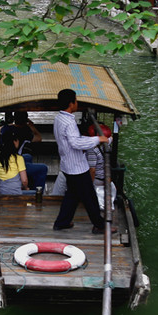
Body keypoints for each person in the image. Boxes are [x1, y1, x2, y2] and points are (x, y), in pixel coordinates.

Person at [52, 88, 115, 234]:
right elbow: (76, 143)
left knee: (72, 195)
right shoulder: (69, 122)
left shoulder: (58, 119)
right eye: (75, 100)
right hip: (77, 167)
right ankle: (99, 225)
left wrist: (92, 140)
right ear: (71, 103)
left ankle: (62, 222)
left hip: (68, 164)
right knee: (90, 197)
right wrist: (98, 139)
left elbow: (75, 140)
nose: (77, 103)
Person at [3, 110, 46, 190]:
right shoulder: (25, 131)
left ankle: (28, 177)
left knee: (27, 156)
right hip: (14, 161)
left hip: (8, 157)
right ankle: (38, 192)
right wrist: (32, 126)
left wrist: (10, 125)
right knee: (43, 168)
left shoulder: (6, 129)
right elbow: (39, 138)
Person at [0, 126, 31, 195]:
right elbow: (24, 181)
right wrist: (26, 188)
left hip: (2, 193)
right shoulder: (18, 158)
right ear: (14, 142)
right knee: (35, 193)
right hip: (16, 195)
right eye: (17, 139)